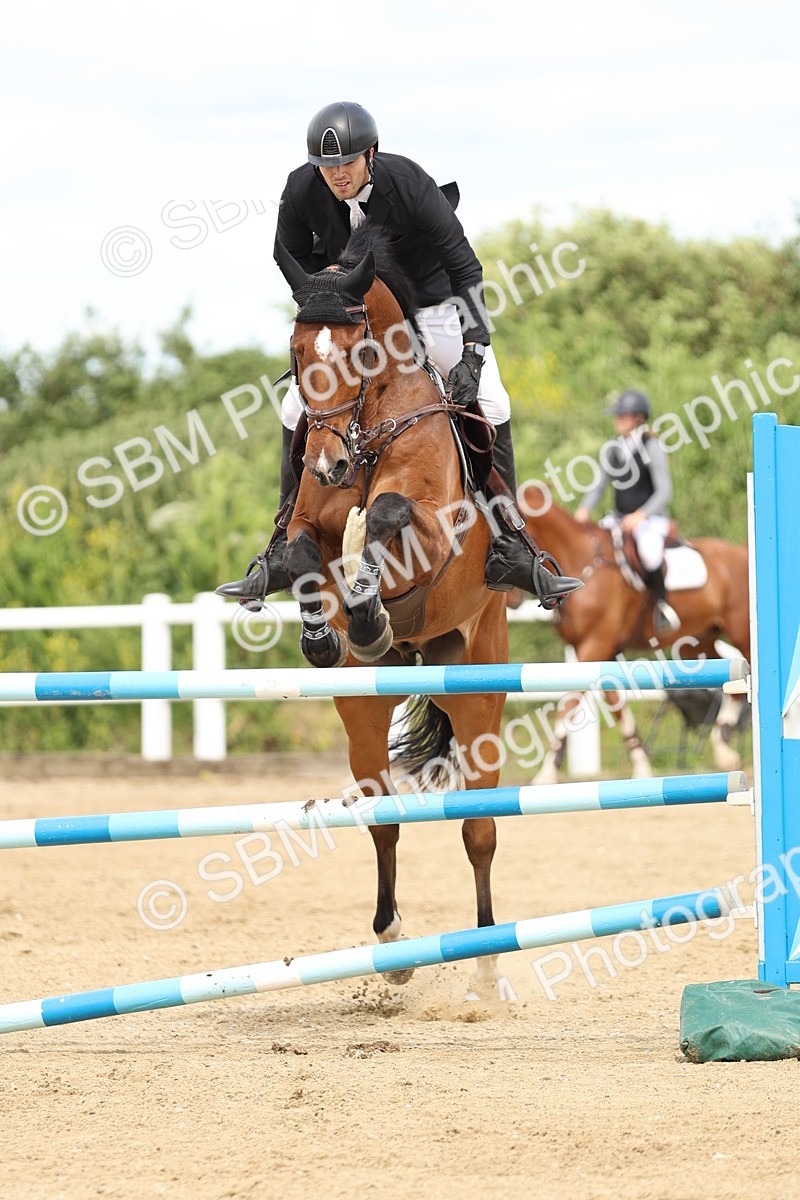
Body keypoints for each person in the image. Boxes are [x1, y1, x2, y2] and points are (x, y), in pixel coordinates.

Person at [217, 101, 581, 607]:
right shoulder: (301, 189)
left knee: (494, 403)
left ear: (371, 153)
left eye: (346, 163)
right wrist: (324, 296)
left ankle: (509, 545)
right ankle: (282, 546)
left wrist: (474, 351)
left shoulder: (409, 185)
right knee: (293, 406)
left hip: (431, 308)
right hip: (353, 318)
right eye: (327, 166)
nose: (336, 175)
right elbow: (287, 253)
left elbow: (465, 268)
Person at [574, 389, 681, 635]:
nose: (618, 419)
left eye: (623, 415)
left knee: (649, 553)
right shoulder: (614, 448)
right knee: (595, 546)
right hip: (619, 518)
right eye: (618, 415)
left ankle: (662, 607)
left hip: (650, 519)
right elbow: (599, 485)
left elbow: (664, 491)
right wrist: (583, 510)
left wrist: (641, 515)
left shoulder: (651, 446)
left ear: (638, 418)